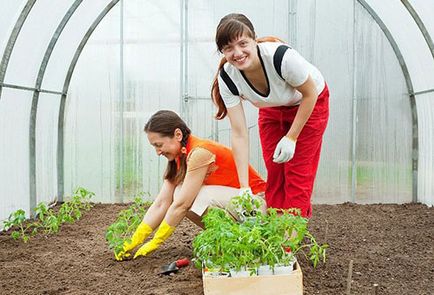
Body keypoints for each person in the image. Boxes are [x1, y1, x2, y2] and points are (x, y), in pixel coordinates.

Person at [211, 13, 329, 218]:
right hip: (272, 109)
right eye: (228, 48)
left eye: (243, 43)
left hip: (309, 103)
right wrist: (244, 187)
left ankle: (287, 245)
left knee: (297, 175)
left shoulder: (281, 58)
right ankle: (276, 228)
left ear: (254, 40)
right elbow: (239, 134)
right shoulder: (228, 77)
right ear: (222, 51)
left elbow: (310, 94)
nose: (237, 53)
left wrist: (291, 137)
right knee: (275, 172)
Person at [115, 110, 266, 261]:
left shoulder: (200, 153)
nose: (157, 152)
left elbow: (182, 204)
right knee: (179, 192)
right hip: (236, 204)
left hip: (256, 203)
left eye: (159, 145)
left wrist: (157, 241)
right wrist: (135, 239)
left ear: (178, 135)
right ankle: (232, 241)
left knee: (192, 197)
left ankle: (241, 239)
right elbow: (162, 203)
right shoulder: (179, 157)